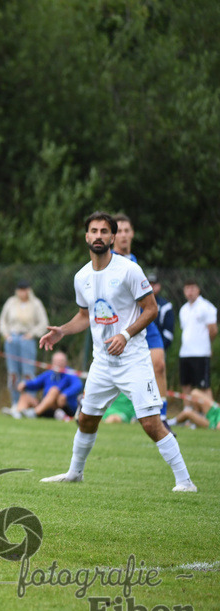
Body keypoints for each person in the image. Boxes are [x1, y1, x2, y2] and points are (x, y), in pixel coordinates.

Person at [38, 211, 196, 492]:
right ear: (86, 237)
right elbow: (85, 316)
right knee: (86, 418)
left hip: (133, 359)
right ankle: (75, 474)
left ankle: (185, 482)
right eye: (93, 231)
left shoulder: (128, 270)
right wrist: (62, 330)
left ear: (112, 237)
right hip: (102, 362)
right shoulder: (82, 277)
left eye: (103, 231)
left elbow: (151, 309)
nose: (98, 236)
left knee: (150, 423)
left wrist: (125, 334)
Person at [112, 214, 172, 424]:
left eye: (127, 230)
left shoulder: (133, 259)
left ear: (133, 233)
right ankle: (87, 407)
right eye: (119, 231)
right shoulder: (108, 260)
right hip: (122, 324)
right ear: (112, 235)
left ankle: (162, 416)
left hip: (145, 320)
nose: (124, 235)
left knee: (159, 365)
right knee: (110, 370)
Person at [0, 280, 48, 415]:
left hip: (27, 340)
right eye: (20, 289)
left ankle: (27, 404)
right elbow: (3, 321)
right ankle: (15, 404)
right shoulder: (11, 302)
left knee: (28, 373)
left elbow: (43, 323)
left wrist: (32, 334)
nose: (22, 292)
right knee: (13, 373)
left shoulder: (36, 304)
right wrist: (6, 335)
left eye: (25, 289)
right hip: (12, 339)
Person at [14, 351, 83, 420]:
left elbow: (78, 385)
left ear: (65, 362)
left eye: (61, 361)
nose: (58, 363)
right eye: (56, 361)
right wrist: (25, 384)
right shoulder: (48, 374)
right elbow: (35, 383)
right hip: (45, 405)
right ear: (52, 362)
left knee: (54, 390)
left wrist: (65, 394)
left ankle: (35, 413)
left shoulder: (70, 373)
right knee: (25, 397)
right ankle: (18, 414)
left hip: (63, 407)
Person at [178, 279, 217, 400]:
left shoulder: (207, 307)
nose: (190, 291)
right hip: (185, 352)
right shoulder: (183, 309)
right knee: (186, 385)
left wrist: (207, 345)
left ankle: (211, 416)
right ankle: (188, 414)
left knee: (204, 386)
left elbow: (213, 330)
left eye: (192, 288)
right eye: (187, 288)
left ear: (198, 289)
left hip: (201, 353)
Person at [148, 273, 175, 352]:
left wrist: (159, 348)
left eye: (154, 284)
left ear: (159, 286)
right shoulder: (139, 304)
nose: (151, 287)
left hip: (157, 348)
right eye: (149, 284)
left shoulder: (166, 306)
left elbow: (168, 332)